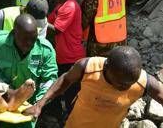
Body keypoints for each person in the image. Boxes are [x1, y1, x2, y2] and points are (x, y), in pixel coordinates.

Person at [24, 46, 163, 128]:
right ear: (107, 68)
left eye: (130, 83)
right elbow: (65, 80)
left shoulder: (142, 81)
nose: (125, 87)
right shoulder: (88, 67)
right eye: (121, 83)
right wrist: (40, 104)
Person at [0, 14, 57, 125]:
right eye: (25, 39)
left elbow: (49, 80)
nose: (29, 43)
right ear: (14, 33)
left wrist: (38, 104)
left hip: (25, 113)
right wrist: (5, 91)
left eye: (33, 39)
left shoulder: (45, 50)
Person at [47, 0, 85, 116]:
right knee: (56, 88)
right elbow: (49, 20)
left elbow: (55, 29)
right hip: (62, 56)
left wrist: (36, 21)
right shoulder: (60, 6)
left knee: (70, 95)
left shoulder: (70, 6)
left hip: (71, 59)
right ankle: (55, 116)